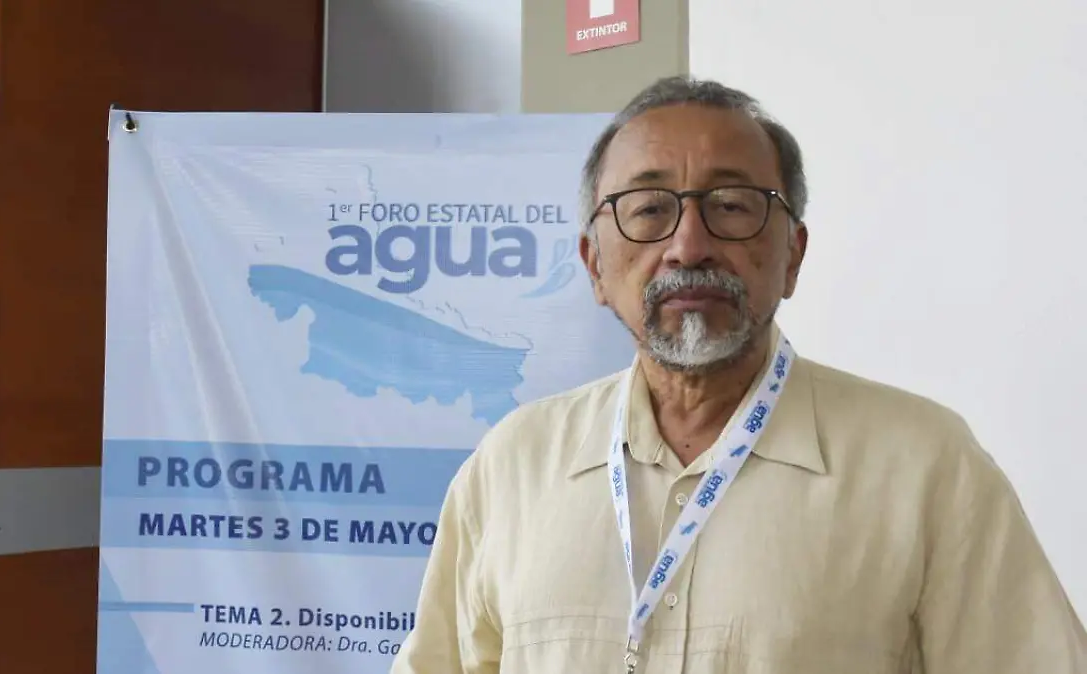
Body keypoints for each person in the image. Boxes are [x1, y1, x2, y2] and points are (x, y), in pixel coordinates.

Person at [388, 76, 1087, 673]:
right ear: (595, 265)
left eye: (730, 206)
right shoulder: (512, 465)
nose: (688, 245)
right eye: (649, 210)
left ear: (793, 256)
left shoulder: (925, 464)